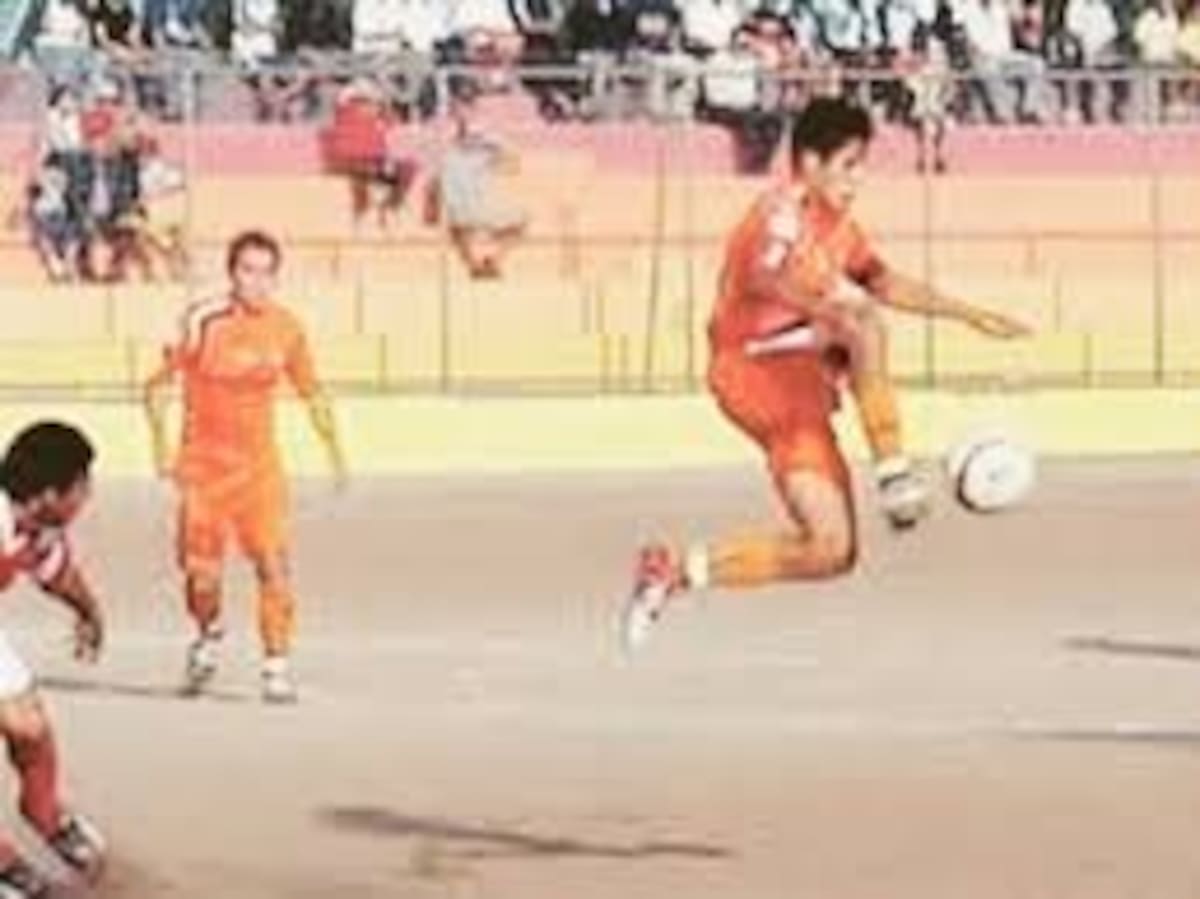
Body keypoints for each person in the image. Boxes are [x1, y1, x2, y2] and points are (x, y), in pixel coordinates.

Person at [620, 96, 1030, 650]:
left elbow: (883, 281)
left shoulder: (841, 228)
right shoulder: (780, 213)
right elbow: (765, 277)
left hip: (801, 381)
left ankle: (674, 573)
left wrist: (970, 314)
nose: (858, 179)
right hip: (752, 367)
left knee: (830, 549)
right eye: (849, 165)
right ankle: (894, 472)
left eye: (863, 166)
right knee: (859, 319)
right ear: (810, 163)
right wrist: (827, 303)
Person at [142, 231, 348, 703]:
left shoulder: (287, 328)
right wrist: (160, 449)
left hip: (259, 472)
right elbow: (155, 388)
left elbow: (311, 390)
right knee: (202, 577)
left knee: (274, 566)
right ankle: (208, 632)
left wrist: (334, 450)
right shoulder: (203, 320)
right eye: (247, 271)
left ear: (277, 277)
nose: (256, 281)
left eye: (266, 272)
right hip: (204, 472)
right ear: (232, 274)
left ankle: (275, 666)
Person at [0, 422, 106, 897]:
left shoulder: (36, 527)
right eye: (82, 485)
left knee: (29, 727)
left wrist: (89, 611)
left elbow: (55, 572)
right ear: (48, 492)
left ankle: (41, 809)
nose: (88, 496)